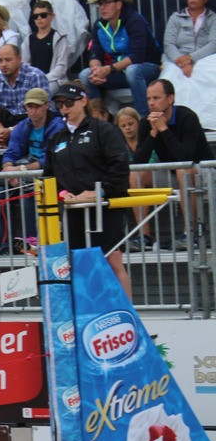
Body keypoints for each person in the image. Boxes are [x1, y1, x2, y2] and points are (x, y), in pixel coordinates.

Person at [45, 82, 132, 297]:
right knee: (79, 264)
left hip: (105, 207)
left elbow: (120, 166)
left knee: (112, 260)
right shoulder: (57, 138)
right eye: (59, 103)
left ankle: (129, 318)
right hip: (74, 210)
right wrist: (62, 194)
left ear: (83, 101)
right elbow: (49, 175)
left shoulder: (104, 130)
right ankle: (88, 316)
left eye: (68, 102)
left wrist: (99, 192)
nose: (64, 107)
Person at [136, 78, 210, 250]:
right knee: (136, 174)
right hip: (172, 173)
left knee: (183, 171)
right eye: (148, 99)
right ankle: (144, 236)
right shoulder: (146, 122)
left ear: (170, 99)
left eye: (156, 98)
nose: (151, 103)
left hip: (202, 172)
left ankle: (191, 233)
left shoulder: (187, 117)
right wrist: (153, 133)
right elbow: (139, 161)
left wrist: (164, 129)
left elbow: (185, 157)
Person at [80, 0, 161, 117]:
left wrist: (108, 70)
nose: (102, 7)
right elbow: (95, 53)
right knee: (85, 75)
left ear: (119, 4)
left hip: (147, 67)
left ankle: (144, 118)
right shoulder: (99, 25)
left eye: (107, 3)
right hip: (118, 70)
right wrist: (96, 71)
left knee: (133, 71)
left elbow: (137, 56)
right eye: (100, 4)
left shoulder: (135, 20)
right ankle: (99, 119)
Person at [1, 88, 64, 251]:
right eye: (30, 106)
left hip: (53, 178)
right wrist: (8, 168)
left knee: (29, 195)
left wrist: (20, 169)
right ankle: (7, 245)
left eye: (37, 106)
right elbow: (11, 151)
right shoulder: (23, 126)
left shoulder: (58, 127)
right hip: (27, 178)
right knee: (1, 196)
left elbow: (49, 159)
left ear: (47, 106)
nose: (33, 110)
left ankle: (36, 242)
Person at [159, 0, 216, 129]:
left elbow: (213, 43)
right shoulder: (176, 18)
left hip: (203, 59)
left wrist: (191, 59)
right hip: (177, 60)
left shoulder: (213, 18)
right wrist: (181, 61)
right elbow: (168, 44)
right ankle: (175, 123)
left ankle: (208, 122)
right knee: (169, 79)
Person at [0, 44, 50, 147]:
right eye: (0, 60)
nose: (3, 64)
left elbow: (42, 111)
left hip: (31, 120)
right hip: (7, 122)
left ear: (19, 59)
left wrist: (11, 131)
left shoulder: (35, 76)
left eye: (8, 60)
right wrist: (1, 132)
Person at [116, 107, 155, 252]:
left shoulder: (146, 137)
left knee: (135, 176)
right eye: (123, 126)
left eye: (131, 124)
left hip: (154, 176)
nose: (127, 128)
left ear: (138, 123)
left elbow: (153, 162)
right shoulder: (118, 144)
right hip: (130, 181)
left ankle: (144, 235)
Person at [23, 0, 69, 94]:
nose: (39, 18)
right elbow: (25, 64)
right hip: (32, 82)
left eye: (43, 15)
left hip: (53, 81)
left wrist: (43, 79)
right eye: (35, 16)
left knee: (45, 92)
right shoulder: (28, 39)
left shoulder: (60, 38)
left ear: (52, 16)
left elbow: (61, 67)